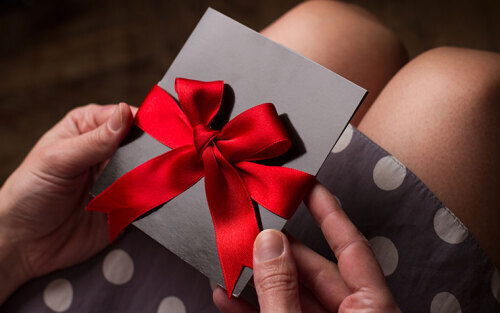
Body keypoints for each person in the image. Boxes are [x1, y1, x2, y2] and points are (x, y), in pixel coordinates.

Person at [0, 1, 498, 312]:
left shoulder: (33, 239)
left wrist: (13, 242)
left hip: (56, 260)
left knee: (331, 29)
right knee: (466, 94)